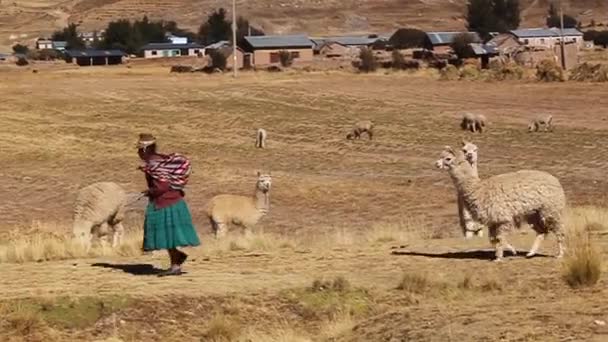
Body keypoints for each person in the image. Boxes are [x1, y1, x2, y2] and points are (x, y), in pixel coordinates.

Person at [137, 133, 201, 277]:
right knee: (169, 235)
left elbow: (162, 186)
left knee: (167, 234)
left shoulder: (153, 165)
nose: (138, 153)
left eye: (140, 150)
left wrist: (150, 191)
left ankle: (176, 262)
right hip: (173, 200)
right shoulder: (160, 161)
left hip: (166, 202)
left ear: (145, 150)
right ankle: (176, 262)